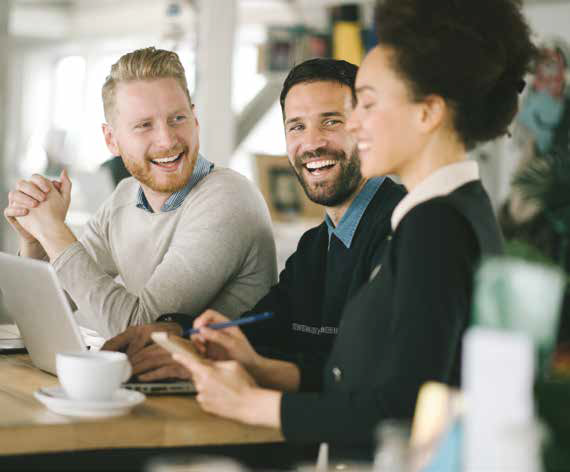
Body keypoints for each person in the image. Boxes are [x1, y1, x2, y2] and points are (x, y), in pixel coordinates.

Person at [168, 0, 536, 461]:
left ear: (427, 113)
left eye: (369, 103)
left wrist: (251, 404)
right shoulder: (450, 210)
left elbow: (401, 409)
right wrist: (258, 367)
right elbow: (369, 378)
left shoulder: (435, 226)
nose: (355, 123)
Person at [104, 58, 405, 383]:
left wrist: (234, 365)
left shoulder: (404, 229)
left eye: (331, 122)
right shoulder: (317, 245)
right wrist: (178, 333)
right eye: (297, 127)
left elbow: (371, 373)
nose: (312, 143)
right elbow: (265, 326)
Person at [3, 47, 277, 341]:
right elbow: (40, 313)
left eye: (177, 119)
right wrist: (36, 242)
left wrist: (54, 231)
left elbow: (141, 332)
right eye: (144, 125)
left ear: (195, 120)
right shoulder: (125, 196)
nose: (167, 140)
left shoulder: (228, 199)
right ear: (111, 139)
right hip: (151, 371)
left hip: (224, 372)